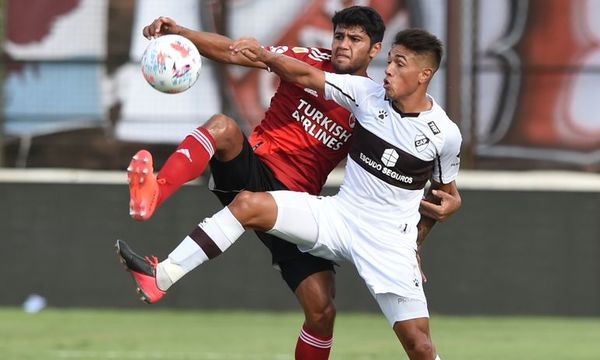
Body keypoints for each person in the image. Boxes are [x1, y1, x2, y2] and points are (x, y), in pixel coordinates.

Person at [118, 7, 461, 359]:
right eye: (339, 36)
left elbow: (444, 190)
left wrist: (432, 222)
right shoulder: (346, 84)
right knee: (227, 140)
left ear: (375, 51)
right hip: (276, 184)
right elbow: (266, 61)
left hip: (339, 218)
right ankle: (158, 229)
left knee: (331, 314)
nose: (343, 45)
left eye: (355, 40)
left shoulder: (420, 123)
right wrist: (184, 34)